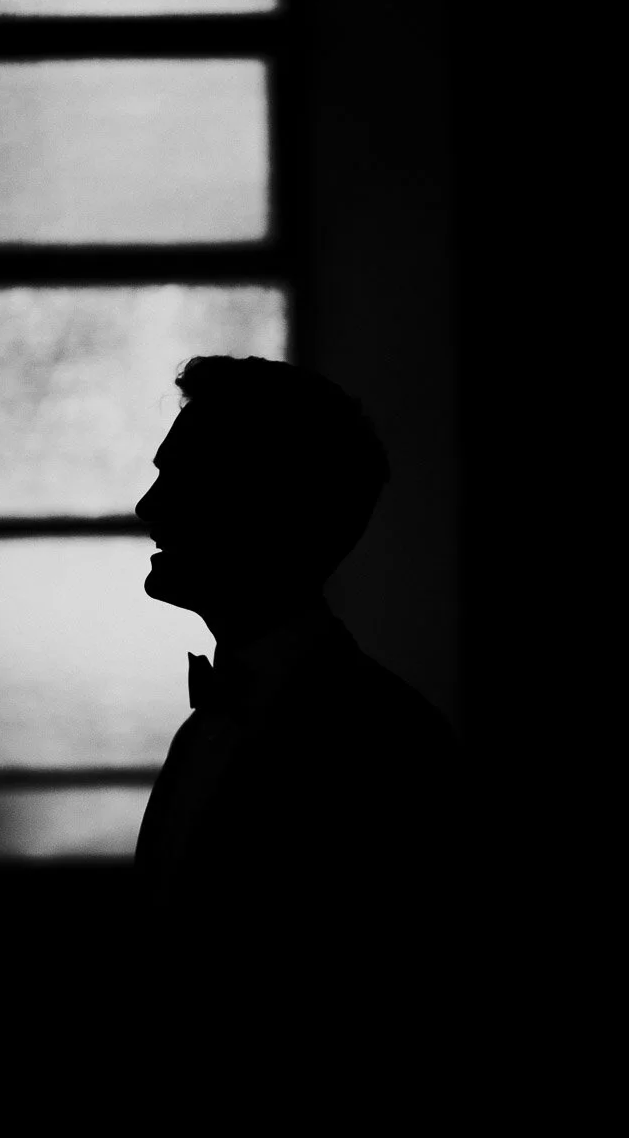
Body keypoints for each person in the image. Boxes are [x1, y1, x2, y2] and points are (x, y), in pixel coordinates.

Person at [132, 355, 463, 994]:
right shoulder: (204, 729)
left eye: (184, 480)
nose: (149, 506)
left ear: (265, 512)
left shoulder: (395, 751)